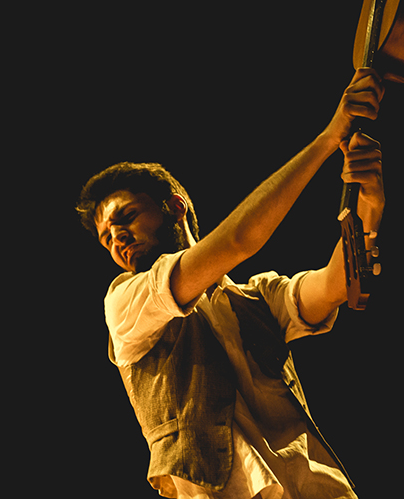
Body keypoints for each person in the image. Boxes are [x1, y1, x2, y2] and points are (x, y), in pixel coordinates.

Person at [75, 68, 385, 499]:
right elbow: (239, 241)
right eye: (106, 237)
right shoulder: (125, 301)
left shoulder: (258, 297)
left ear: (174, 207)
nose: (117, 239)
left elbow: (337, 284)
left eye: (126, 217)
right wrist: (329, 138)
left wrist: (369, 203)